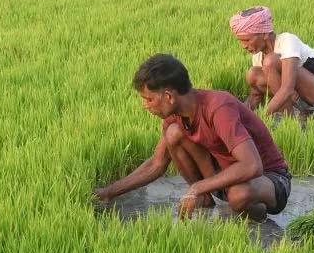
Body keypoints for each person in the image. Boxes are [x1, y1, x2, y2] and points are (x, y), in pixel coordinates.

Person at [93, 54, 292, 222]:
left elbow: (252, 166)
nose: (146, 106)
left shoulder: (218, 108)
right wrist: (109, 192)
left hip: (269, 180)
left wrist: (196, 187)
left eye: (149, 99)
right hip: (226, 177)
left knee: (240, 194)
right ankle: (206, 199)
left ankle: (256, 218)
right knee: (173, 133)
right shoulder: (175, 116)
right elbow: (156, 164)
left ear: (169, 96)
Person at [229, 6, 314, 121]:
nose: (243, 46)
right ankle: (297, 120)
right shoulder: (258, 56)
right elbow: (257, 93)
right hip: (305, 94)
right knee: (253, 75)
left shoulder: (287, 41)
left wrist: (262, 119)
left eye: (247, 40)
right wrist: (238, 116)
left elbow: (287, 89)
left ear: (264, 34)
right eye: (241, 41)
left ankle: (288, 121)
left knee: (271, 62)